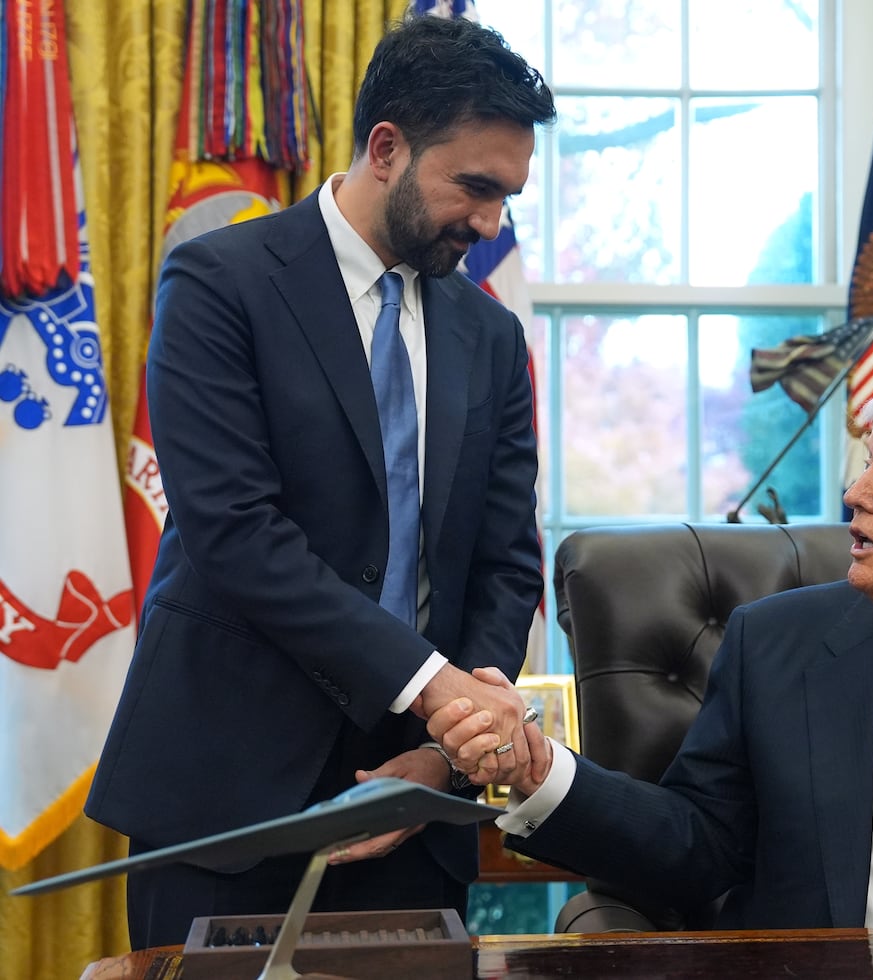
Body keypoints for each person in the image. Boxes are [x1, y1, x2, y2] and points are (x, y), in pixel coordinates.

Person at [85, 13, 555, 949]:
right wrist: (440, 690)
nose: (490, 222)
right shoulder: (220, 282)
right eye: (475, 187)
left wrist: (449, 742)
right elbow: (236, 534)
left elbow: (506, 558)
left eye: (508, 197)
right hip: (225, 794)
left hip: (414, 805)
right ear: (386, 147)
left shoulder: (491, 336)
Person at [429, 379, 873, 946]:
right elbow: (703, 844)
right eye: (867, 465)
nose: (856, 492)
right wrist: (539, 771)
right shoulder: (774, 644)